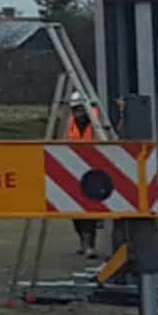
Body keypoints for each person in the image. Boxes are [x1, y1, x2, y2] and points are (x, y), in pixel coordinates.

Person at [66, 91, 102, 258]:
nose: (78, 113)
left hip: (93, 170)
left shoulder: (97, 121)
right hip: (74, 168)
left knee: (89, 210)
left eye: (80, 109)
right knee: (75, 211)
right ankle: (83, 241)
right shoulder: (70, 123)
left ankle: (89, 244)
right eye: (75, 110)